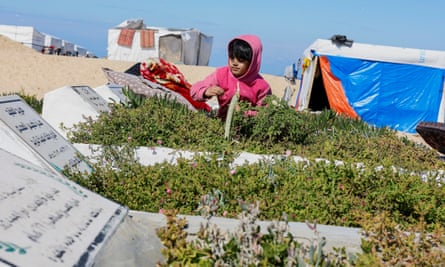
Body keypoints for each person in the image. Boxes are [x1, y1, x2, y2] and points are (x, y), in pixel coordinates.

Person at [190, 34, 272, 120]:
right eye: (232, 58)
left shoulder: (262, 86)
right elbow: (194, 91)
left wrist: (244, 113)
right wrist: (205, 91)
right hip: (221, 124)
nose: (235, 63)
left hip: (249, 128)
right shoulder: (221, 74)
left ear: (253, 62)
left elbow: (265, 113)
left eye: (241, 60)